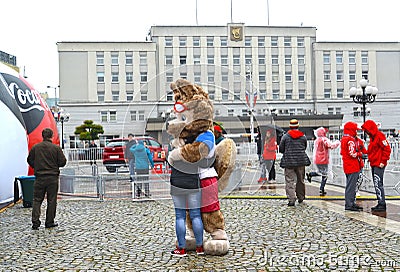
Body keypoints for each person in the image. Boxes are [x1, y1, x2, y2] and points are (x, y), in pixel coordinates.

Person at [27, 128, 67, 230]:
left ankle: (35, 222)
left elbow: (29, 160)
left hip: (40, 177)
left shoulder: (36, 148)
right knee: (52, 200)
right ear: (51, 136)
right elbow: (63, 162)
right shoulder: (56, 148)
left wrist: (36, 166)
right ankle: (49, 222)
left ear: (43, 136)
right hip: (52, 178)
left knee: (37, 200)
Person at [279, 119, 311, 206]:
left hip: (289, 162)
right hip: (301, 161)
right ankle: (301, 197)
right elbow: (304, 147)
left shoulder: (285, 137)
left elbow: (281, 149)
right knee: (300, 180)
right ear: (298, 126)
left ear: (290, 126)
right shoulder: (303, 136)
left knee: (289, 180)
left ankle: (291, 199)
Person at [361, 120, 391, 212]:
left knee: (378, 183)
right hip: (374, 163)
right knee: (377, 183)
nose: (366, 132)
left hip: (379, 164)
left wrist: (383, 161)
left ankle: (382, 203)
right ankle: (380, 202)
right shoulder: (373, 137)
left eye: (367, 130)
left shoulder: (379, 136)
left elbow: (387, 149)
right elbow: (372, 151)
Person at [340, 121, 367, 212]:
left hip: (347, 165)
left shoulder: (344, 138)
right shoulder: (350, 140)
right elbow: (352, 153)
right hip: (353, 165)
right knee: (351, 186)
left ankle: (351, 202)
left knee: (350, 185)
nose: (356, 132)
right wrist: (361, 154)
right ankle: (349, 204)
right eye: (355, 130)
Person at [306, 127, 340, 196]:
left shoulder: (317, 140)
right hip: (324, 159)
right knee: (325, 174)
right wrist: (337, 143)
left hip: (317, 159)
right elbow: (331, 146)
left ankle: (311, 175)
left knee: (321, 172)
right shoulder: (324, 140)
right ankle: (321, 189)